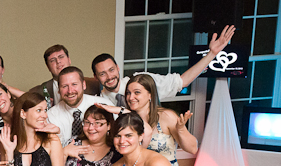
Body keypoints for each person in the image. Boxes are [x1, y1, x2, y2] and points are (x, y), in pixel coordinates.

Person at [97, 74, 196, 166]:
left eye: (137, 93)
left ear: (150, 95)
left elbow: (192, 148)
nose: (131, 97)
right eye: (128, 93)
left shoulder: (166, 116)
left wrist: (181, 129)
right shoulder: (126, 121)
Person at [91, 25, 235, 107]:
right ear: (95, 77)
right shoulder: (99, 103)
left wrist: (211, 54)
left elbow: (182, 81)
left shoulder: (141, 81)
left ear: (118, 68)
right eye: (102, 73)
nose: (110, 76)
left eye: (111, 70)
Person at [46, 66, 112, 145]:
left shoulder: (104, 105)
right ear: (58, 90)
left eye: (74, 84)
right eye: (64, 86)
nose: (70, 91)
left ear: (83, 85)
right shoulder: (51, 116)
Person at [29, 45, 100, 108]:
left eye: (61, 57)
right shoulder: (41, 90)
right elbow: (26, 99)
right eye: (52, 60)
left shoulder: (93, 84)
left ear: (69, 60)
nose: (58, 62)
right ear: (48, 67)